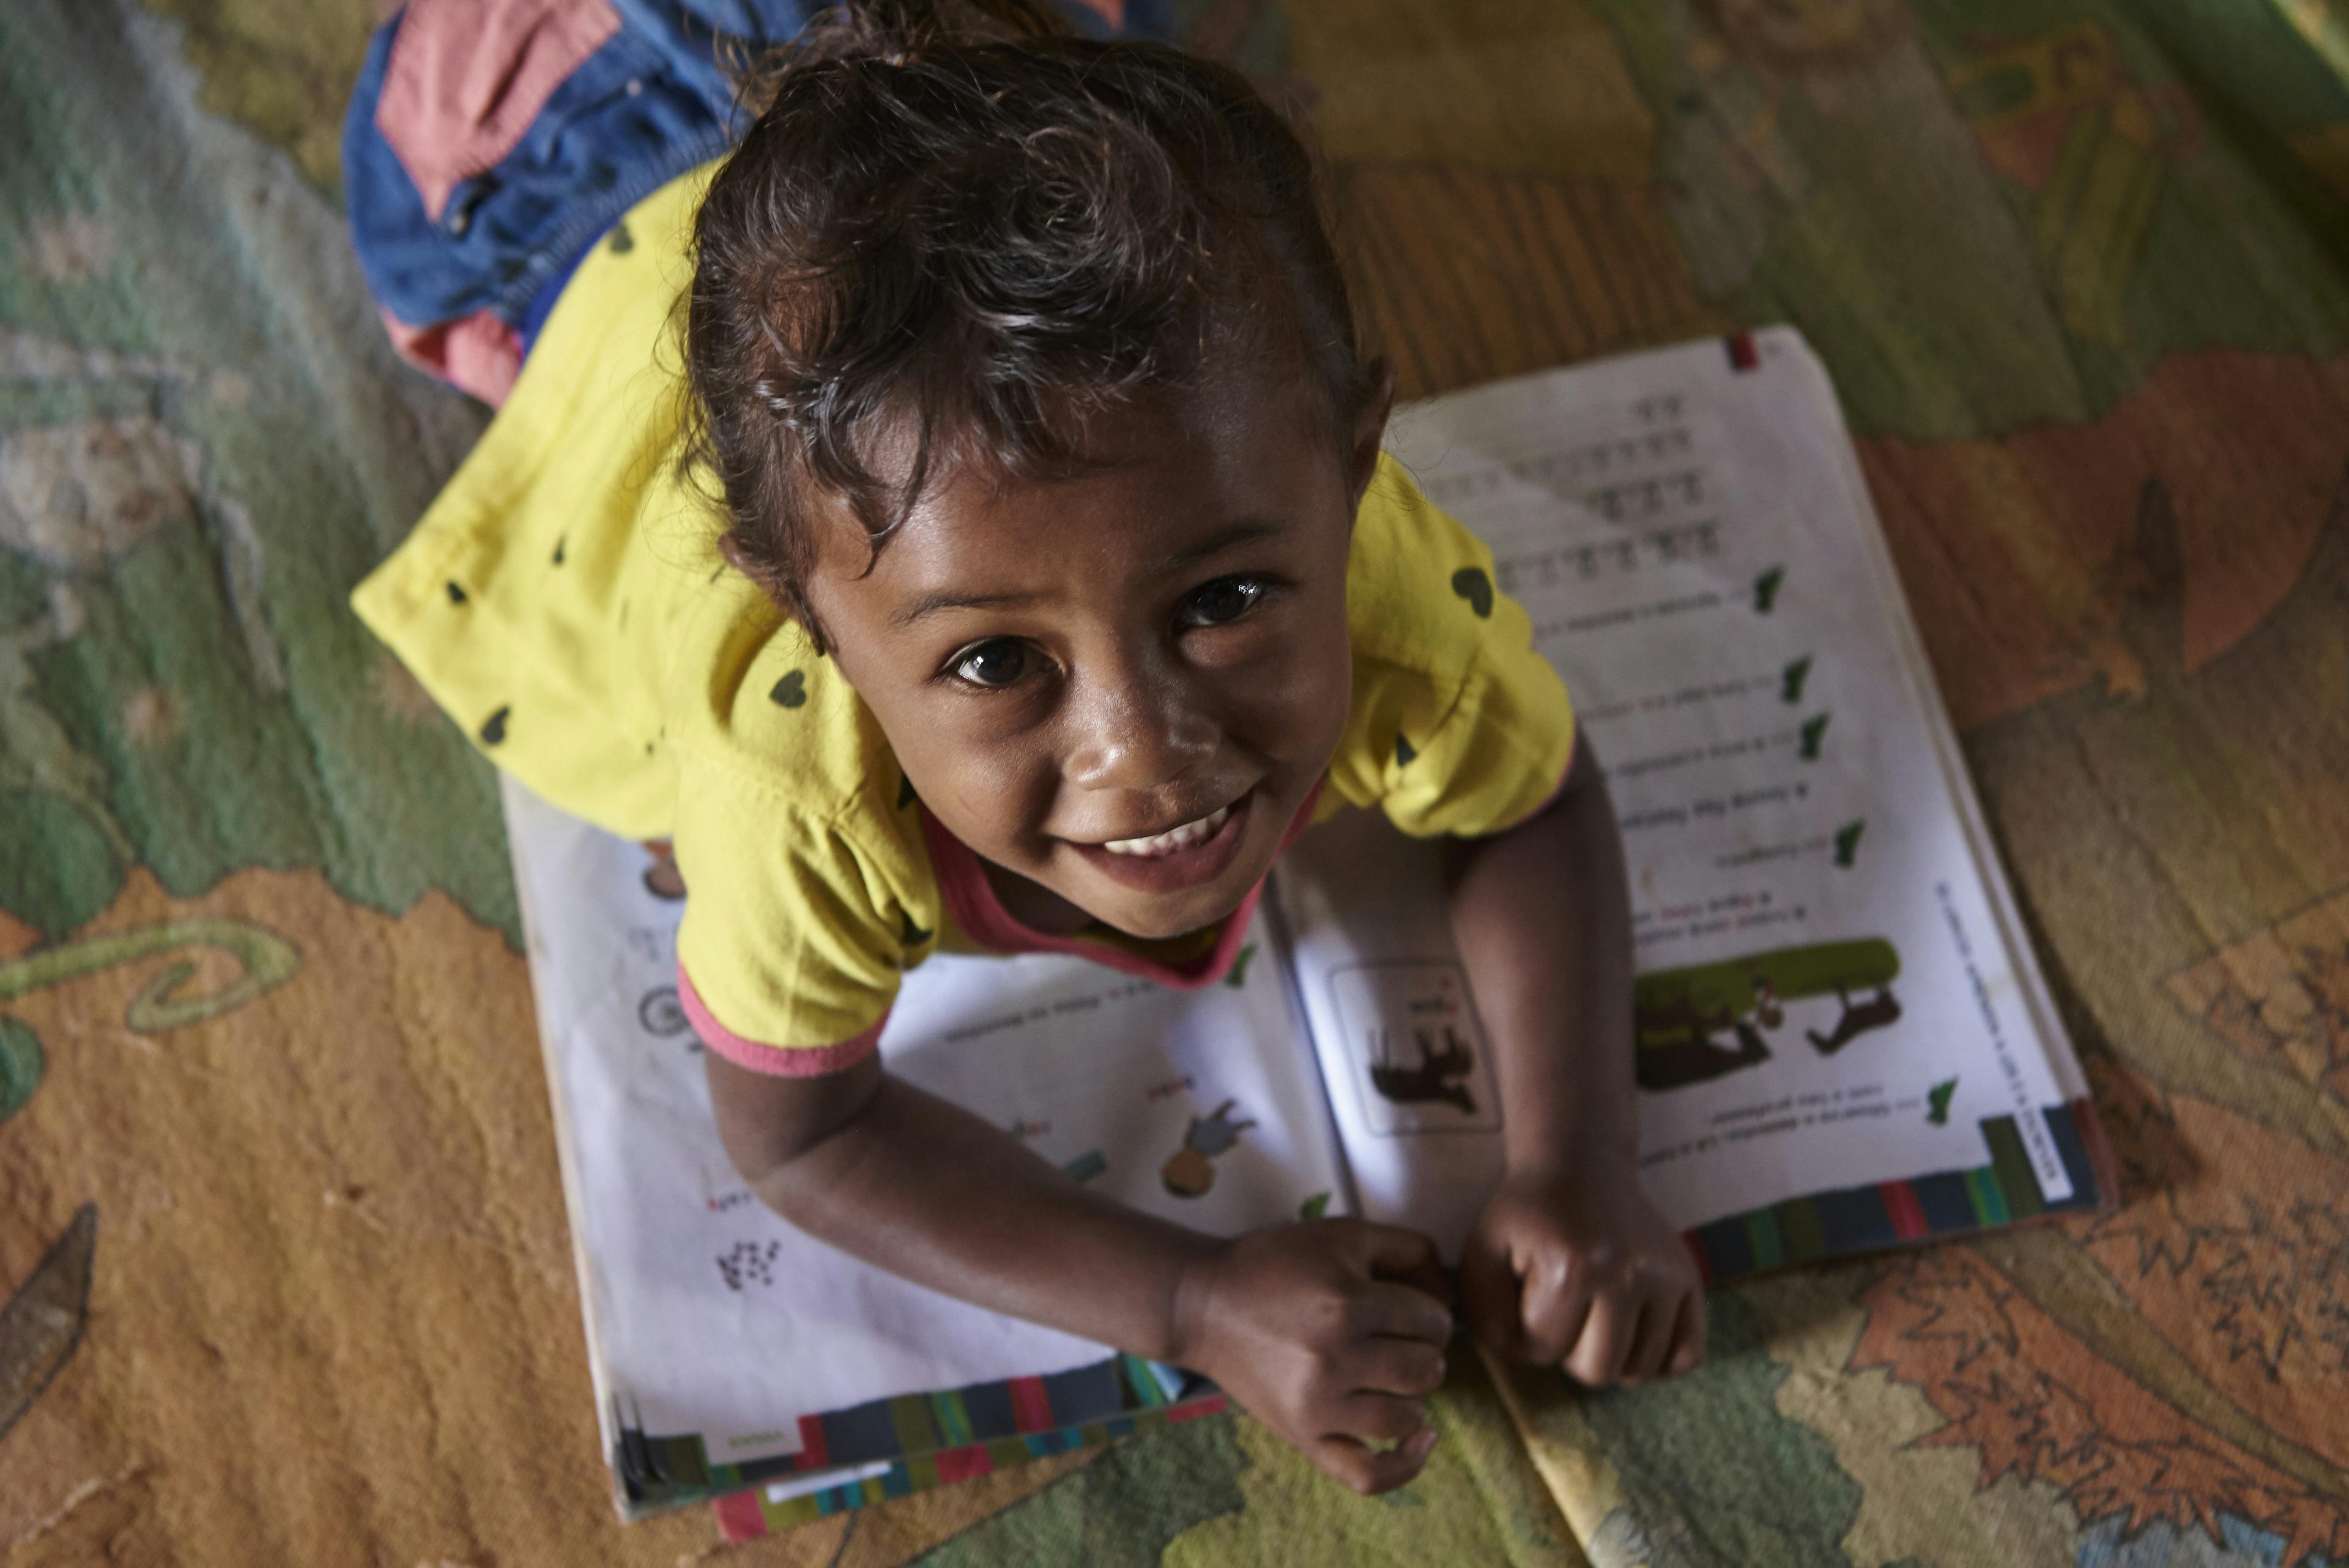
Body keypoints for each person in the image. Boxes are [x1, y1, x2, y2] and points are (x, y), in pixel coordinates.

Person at [346, 0, 1705, 1498]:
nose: (1149, 754)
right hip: (568, 153)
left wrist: (1579, 1159)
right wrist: (1189, 1301)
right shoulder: (792, 791)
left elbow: (1534, 795)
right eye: (994, 662)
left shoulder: (1384, 588)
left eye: (1224, 601)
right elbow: (805, 1143)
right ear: (802, 615)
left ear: (1353, 457)